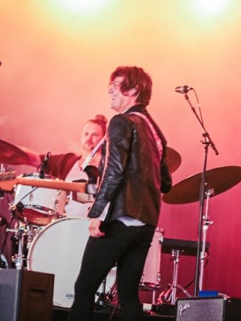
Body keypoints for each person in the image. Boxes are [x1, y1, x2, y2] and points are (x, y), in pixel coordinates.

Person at [68, 66, 172, 321]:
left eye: (116, 84)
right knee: (127, 295)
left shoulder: (121, 121)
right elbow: (166, 183)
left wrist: (97, 213)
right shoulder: (155, 130)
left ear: (134, 90)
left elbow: (114, 172)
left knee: (84, 289)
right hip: (145, 224)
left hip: (119, 219)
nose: (109, 89)